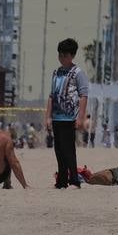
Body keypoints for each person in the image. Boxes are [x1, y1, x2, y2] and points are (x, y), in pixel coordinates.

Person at [45, 38, 89, 189]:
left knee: (69, 149)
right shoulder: (56, 73)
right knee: (58, 150)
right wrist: (48, 117)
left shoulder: (78, 73)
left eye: (64, 55)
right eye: (60, 55)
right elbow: (51, 96)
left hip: (70, 117)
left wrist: (80, 117)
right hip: (57, 117)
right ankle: (61, 180)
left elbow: (83, 95)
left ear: (72, 55)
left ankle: (75, 180)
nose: (61, 58)